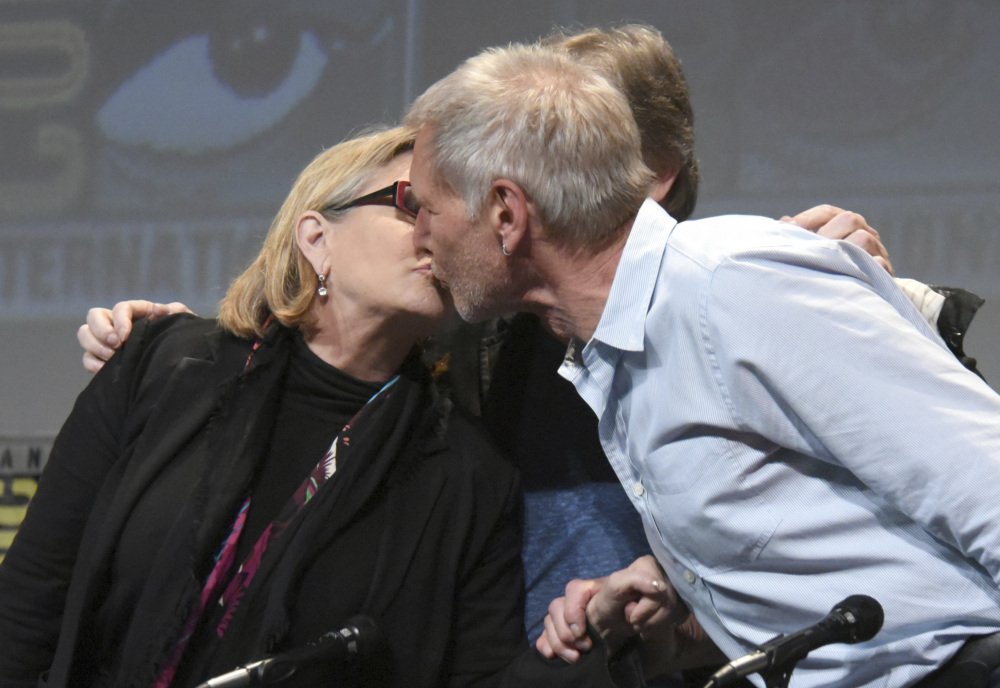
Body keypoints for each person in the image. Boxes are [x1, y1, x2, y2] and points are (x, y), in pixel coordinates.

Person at [402, 42, 1000, 688]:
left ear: (507, 213)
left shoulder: (729, 285)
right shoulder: (616, 352)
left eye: (427, 209)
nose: (417, 237)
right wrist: (672, 618)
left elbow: (986, 484)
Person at [0, 126, 531, 688]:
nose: (433, 235)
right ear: (316, 237)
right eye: (409, 205)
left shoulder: (471, 475)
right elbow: (33, 594)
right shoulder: (164, 366)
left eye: (448, 216)